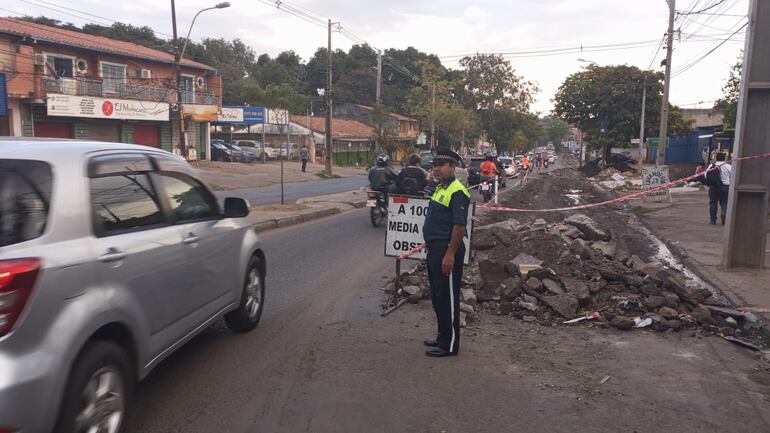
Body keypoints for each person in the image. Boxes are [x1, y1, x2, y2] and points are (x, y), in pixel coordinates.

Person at [422, 148, 470, 358]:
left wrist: (450, 254)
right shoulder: (441, 188)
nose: (436, 169)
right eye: (434, 165)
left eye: (441, 165)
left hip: (447, 250)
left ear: (452, 167)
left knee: (448, 299)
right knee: (438, 297)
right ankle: (442, 337)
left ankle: (449, 345)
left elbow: (459, 226)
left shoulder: (457, 191)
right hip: (435, 249)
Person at [704, 152, 732, 225]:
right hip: (725, 187)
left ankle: (713, 220)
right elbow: (733, 176)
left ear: (716, 158)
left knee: (713, 203)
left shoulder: (711, 166)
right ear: (724, 158)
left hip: (713, 187)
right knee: (724, 202)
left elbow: (705, 175)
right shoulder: (728, 166)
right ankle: (723, 214)